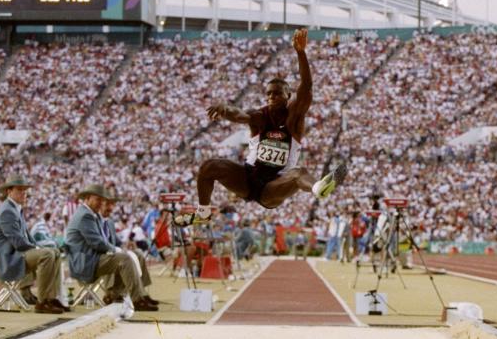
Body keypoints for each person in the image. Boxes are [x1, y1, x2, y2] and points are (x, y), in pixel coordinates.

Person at [177, 29, 346, 226]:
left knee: (299, 172)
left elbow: (306, 86)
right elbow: (240, 115)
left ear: (288, 96)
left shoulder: (294, 119)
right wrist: (225, 109)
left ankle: (318, 188)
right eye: (268, 94)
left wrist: (301, 53)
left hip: (274, 186)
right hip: (248, 178)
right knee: (209, 167)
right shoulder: (259, 116)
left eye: (276, 94)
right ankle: (203, 214)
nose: (271, 97)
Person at [65, 184, 157, 311]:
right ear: (87, 198)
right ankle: (137, 299)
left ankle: (119, 295)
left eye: (102, 200)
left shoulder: (91, 214)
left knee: (124, 257)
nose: (100, 203)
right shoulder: (85, 216)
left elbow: (100, 242)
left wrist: (117, 249)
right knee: (123, 259)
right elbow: (97, 242)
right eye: (98, 199)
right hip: (85, 262)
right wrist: (115, 250)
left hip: (90, 258)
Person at [0, 176, 65, 314]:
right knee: (47, 254)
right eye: (20, 190)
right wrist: (38, 248)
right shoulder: (7, 211)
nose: (24, 193)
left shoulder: (15, 209)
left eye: (25, 190)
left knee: (55, 252)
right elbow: (18, 243)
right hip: (8, 261)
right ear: (9, 192)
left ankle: (51, 297)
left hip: (17, 255)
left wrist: (39, 247)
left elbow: (28, 237)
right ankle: (42, 302)